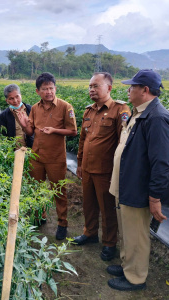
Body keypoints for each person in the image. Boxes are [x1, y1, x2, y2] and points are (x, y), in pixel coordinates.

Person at [107, 69, 169, 291]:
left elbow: (161, 163)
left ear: (145, 90)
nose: (129, 90)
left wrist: (155, 197)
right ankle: (127, 265)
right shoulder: (139, 112)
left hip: (137, 188)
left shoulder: (157, 118)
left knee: (136, 234)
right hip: (126, 184)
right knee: (126, 230)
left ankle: (135, 277)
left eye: (132, 86)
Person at [73, 72, 131, 261]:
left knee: (107, 209)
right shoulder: (89, 111)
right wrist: (80, 163)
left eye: (96, 86)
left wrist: (119, 171)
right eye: (90, 86)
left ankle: (109, 243)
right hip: (88, 168)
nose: (92, 89)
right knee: (88, 204)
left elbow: (123, 143)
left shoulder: (120, 110)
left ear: (109, 88)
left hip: (106, 171)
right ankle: (89, 233)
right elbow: (83, 139)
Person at [17, 72, 77, 240]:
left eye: (51, 88)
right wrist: (24, 126)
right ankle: (39, 216)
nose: (48, 92)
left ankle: (62, 223)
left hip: (56, 158)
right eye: (44, 89)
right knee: (35, 188)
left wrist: (55, 130)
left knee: (59, 191)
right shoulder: (35, 108)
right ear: (38, 91)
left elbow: (73, 131)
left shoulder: (65, 107)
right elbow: (30, 131)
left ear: (55, 88)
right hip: (37, 156)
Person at [0, 84, 34, 150]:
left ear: (21, 95)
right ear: (7, 101)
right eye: (11, 98)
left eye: (17, 97)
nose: (15, 101)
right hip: (16, 152)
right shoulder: (3, 116)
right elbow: (2, 137)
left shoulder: (31, 109)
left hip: (33, 150)